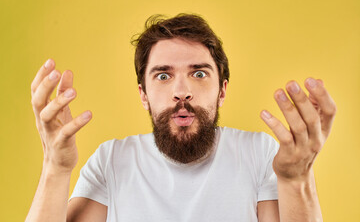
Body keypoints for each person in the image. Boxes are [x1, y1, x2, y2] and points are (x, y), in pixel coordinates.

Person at [26, 14, 336, 222]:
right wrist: (55, 167)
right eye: (163, 76)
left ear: (222, 90)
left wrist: (296, 179)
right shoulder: (112, 160)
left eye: (199, 73)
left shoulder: (258, 154)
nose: (182, 92)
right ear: (143, 94)